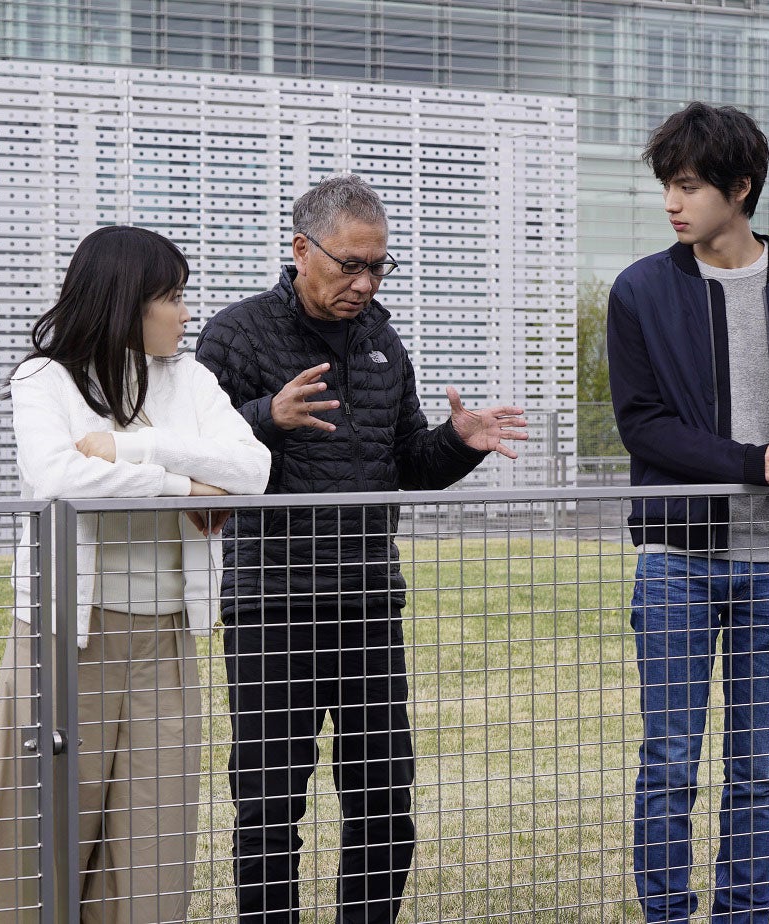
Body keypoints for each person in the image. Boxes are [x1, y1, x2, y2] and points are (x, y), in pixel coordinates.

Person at [195, 173, 528, 924]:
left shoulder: (382, 338)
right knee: (271, 805)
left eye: (379, 266)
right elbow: (197, 456)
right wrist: (266, 417)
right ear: (300, 250)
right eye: (351, 264)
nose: (366, 282)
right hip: (272, 606)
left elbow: (409, 463)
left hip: (370, 603)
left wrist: (458, 442)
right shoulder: (237, 333)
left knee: (384, 801)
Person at [606, 103, 769, 922]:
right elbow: (643, 425)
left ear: (740, 187)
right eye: (668, 187)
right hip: (677, 562)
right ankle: (667, 916)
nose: (673, 204)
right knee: (672, 761)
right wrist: (752, 463)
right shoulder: (641, 290)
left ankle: (745, 913)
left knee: (758, 766)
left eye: (688, 187)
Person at [0, 225, 271, 923]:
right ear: (125, 302)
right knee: (38, 856)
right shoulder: (43, 378)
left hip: (165, 643)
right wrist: (185, 487)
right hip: (61, 646)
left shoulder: (191, 379)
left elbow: (253, 469)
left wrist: (134, 447)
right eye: (171, 296)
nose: (184, 312)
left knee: (154, 859)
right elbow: (57, 476)